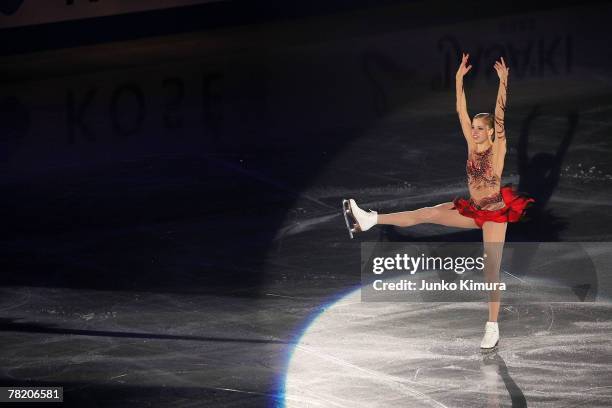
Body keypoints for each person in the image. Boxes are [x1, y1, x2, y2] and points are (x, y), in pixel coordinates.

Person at [342, 53, 534, 349]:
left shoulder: (498, 149)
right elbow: (460, 110)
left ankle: (492, 326)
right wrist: (458, 79)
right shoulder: (471, 146)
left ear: (492, 132)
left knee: (491, 269)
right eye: (475, 127)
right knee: (427, 212)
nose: (475, 130)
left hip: (494, 213)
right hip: (473, 210)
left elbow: (500, 114)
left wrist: (504, 82)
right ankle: (371, 219)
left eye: (480, 128)